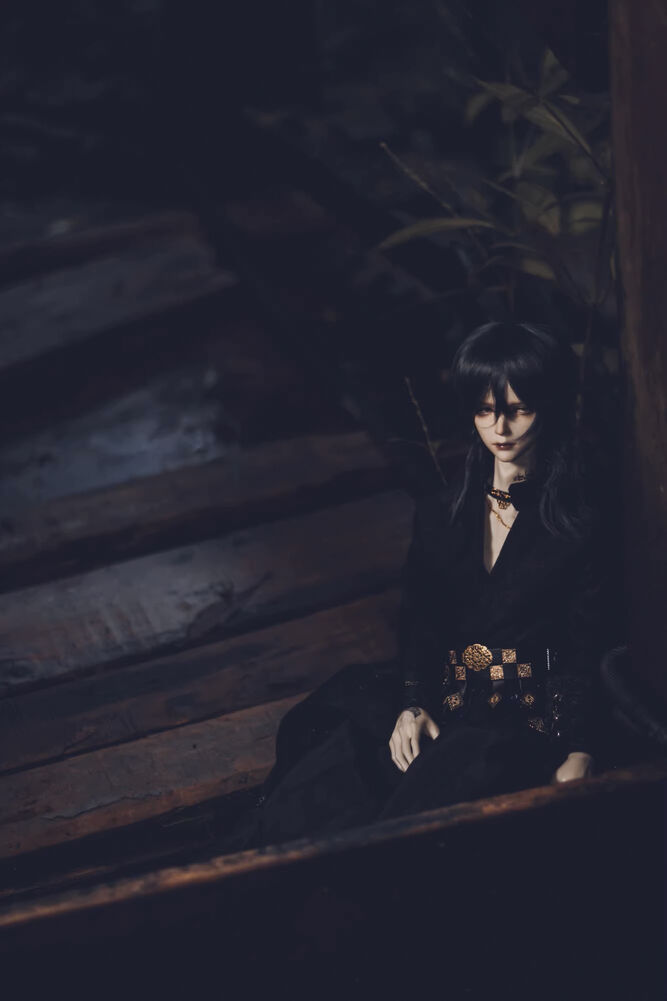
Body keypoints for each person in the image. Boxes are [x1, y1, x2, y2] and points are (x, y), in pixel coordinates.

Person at [227, 321, 618, 852]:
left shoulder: (577, 524)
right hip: (444, 698)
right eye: (485, 410)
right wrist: (412, 703)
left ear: (546, 408)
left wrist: (579, 747)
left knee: (415, 814)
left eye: (518, 410)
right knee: (325, 772)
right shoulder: (442, 513)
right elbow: (420, 621)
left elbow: (585, 645)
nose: (500, 428)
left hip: (522, 717)